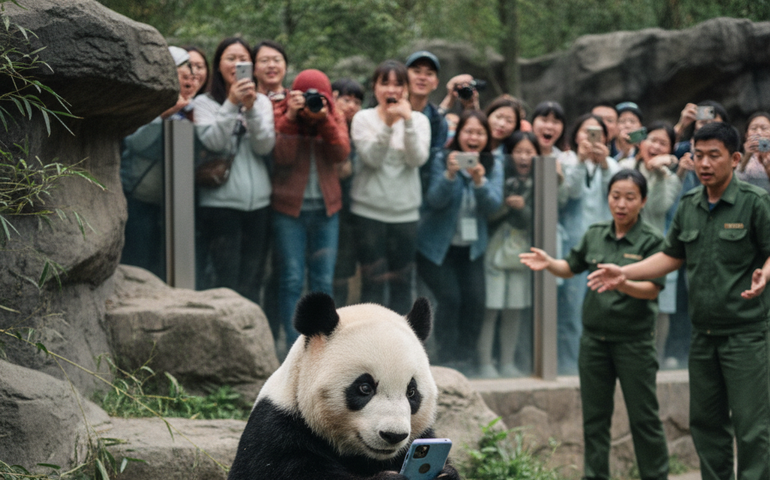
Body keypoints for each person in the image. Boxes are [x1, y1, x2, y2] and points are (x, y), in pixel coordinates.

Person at [588, 122, 770, 480]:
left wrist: (765, 272)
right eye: (698, 155)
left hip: (746, 335)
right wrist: (626, 272)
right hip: (703, 336)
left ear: (735, 159)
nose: (704, 163)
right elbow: (671, 255)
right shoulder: (689, 204)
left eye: (714, 155)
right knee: (706, 422)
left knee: (752, 425)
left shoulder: (755, 202)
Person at [521, 169, 669, 480]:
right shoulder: (595, 233)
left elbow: (652, 289)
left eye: (630, 197)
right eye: (616, 196)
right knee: (595, 419)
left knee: (644, 417)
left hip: (634, 343)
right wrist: (549, 263)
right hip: (594, 342)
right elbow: (570, 267)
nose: (621, 204)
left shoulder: (652, 240)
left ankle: (655, 475)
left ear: (643, 201)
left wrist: (623, 283)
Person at [416, 110, 503, 371]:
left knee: (475, 300)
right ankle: (446, 358)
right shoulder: (442, 159)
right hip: (436, 248)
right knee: (450, 298)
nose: (473, 138)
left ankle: (466, 358)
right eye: (468, 131)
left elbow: (493, 205)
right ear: (458, 134)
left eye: (479, 133)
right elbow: (434, 200)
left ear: (487, 138)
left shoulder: (493, 164)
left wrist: (479, 181)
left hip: (471, 249)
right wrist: (449, 175)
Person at [193, 37, 275, 306]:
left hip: (259, 203)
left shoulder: (261, 103)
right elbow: (214, 142)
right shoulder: (204, 103)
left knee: (252, 278)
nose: (237, 64)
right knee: (225, 278)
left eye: (243, 59)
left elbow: (264, 146)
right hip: (220, 204)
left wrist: (250, 109)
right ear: (218, 65)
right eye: (231, 58)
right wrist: (230, 103)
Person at [271, 69, 350, 345]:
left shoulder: (334, 115)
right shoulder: (283, 114)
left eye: (319, 97)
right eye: (306, 97)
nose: (312, 102)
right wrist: (292, 118)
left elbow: (341, 153)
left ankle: (322, 345)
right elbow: (281, 157)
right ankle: (294, 346)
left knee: (323, 281)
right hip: (289, 210)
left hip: (327, 210)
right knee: (292, 279)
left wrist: (324, 120)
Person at [350, 60, 431, 314]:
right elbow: (372, 159)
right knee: (372, 286)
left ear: (406, 89)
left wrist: (407, 123)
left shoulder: (419, 121)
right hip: (368, 213)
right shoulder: (363, 118)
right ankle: (368, 339)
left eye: (398, 84)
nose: (391, 90)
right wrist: (387, 123)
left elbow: (417, 159)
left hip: (405, 215)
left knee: (402, 285)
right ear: (374, 87)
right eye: (384, 83)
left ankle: (400, 339)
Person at [121, 46, 197, 278]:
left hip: (180, 203)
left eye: (192, 74)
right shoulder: (142, 100)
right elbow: (135, 143)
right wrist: (163, 114)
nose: (189, 79)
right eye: (183, 73)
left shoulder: (199, 105)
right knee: (140, 263)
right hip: (140, 198)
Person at [557, 113, 619, 375]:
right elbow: (570, 193)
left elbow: (615, 194)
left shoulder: (612, 165)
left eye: (598, 133)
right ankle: (572, 364)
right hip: (575, 243)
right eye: (586, 131)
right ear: (575, 135)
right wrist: (581, 162)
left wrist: (603, 164)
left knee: (604, 305)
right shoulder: (566, 160)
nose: (591, 137)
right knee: (573, 307)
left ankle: (601, 363)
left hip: (606, 244)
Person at [478, 131, 538, 378]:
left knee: (514, 309)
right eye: (518, 151)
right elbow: (488, 212)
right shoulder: (497, 174)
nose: (524, 157)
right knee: (491, 308)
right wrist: (505, 205)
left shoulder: (541, 180)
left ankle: (507, 362)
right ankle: (485, 363)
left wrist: (524, 208)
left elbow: (541, 218)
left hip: (523, 252)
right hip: (496, 248)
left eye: (529, 152)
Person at [633, 122, 682, 363]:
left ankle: (657, 359)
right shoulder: (626, 169)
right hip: (629, 248)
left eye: (663, 143)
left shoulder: (671, 179)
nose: (655, 146)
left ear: (670, 150)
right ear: (642, 142)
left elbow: (659, 207)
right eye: (652, 139)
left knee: (661, 309)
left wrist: (661, 175)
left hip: (658, 250)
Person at [330, 78, 364, 307]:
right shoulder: (327, 126)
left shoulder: (363, 130)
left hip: (354, 209)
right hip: (331, 206)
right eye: (346, 99)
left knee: (344, 270)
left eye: (357, 102)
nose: (351, 106)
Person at [405, 50, 448, 194]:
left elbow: (434, 164)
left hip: (420, 191)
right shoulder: (390, 111)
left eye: (429, 74)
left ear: (435, 83)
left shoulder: (439, 122)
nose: (422, 78)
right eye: (416, 72)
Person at [736, 111, 770, 193]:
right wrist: (746, 157)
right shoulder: (737, 157)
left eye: (764, 128)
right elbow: (735, 181)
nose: (758, 133)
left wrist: (766, 162)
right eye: (753, 129)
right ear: (746, 135)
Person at [614, 102, 644, 167]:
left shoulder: (645, 149)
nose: (627, 125)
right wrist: (624, 153)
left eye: (632, 121)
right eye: (622, 121)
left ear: (640, 126)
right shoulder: (607, 146)